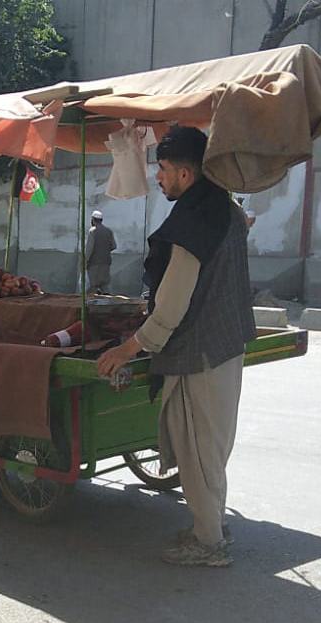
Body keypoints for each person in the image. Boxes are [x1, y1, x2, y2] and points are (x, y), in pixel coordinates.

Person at [95, 126, 255, 568]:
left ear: (185, 174)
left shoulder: (195, 221)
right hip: (226, 342)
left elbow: (172, 303)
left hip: (201, 351)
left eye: (163, 169)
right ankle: (211, 525)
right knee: (211, 447)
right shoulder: (225, 208)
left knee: (199, 450)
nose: (159, 177)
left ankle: (208, 544)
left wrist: (129, 349)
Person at [86, 210, 117, 293]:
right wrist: (105, 250)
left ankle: (94, 300)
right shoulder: (109, 231)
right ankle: (107, 300)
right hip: (106, 263)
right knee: (105, 286)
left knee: (93, 286)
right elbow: (114, 246)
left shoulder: (92, 231)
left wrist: (85, 261)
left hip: (94, 263)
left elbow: (89, 249)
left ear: (93, 220)